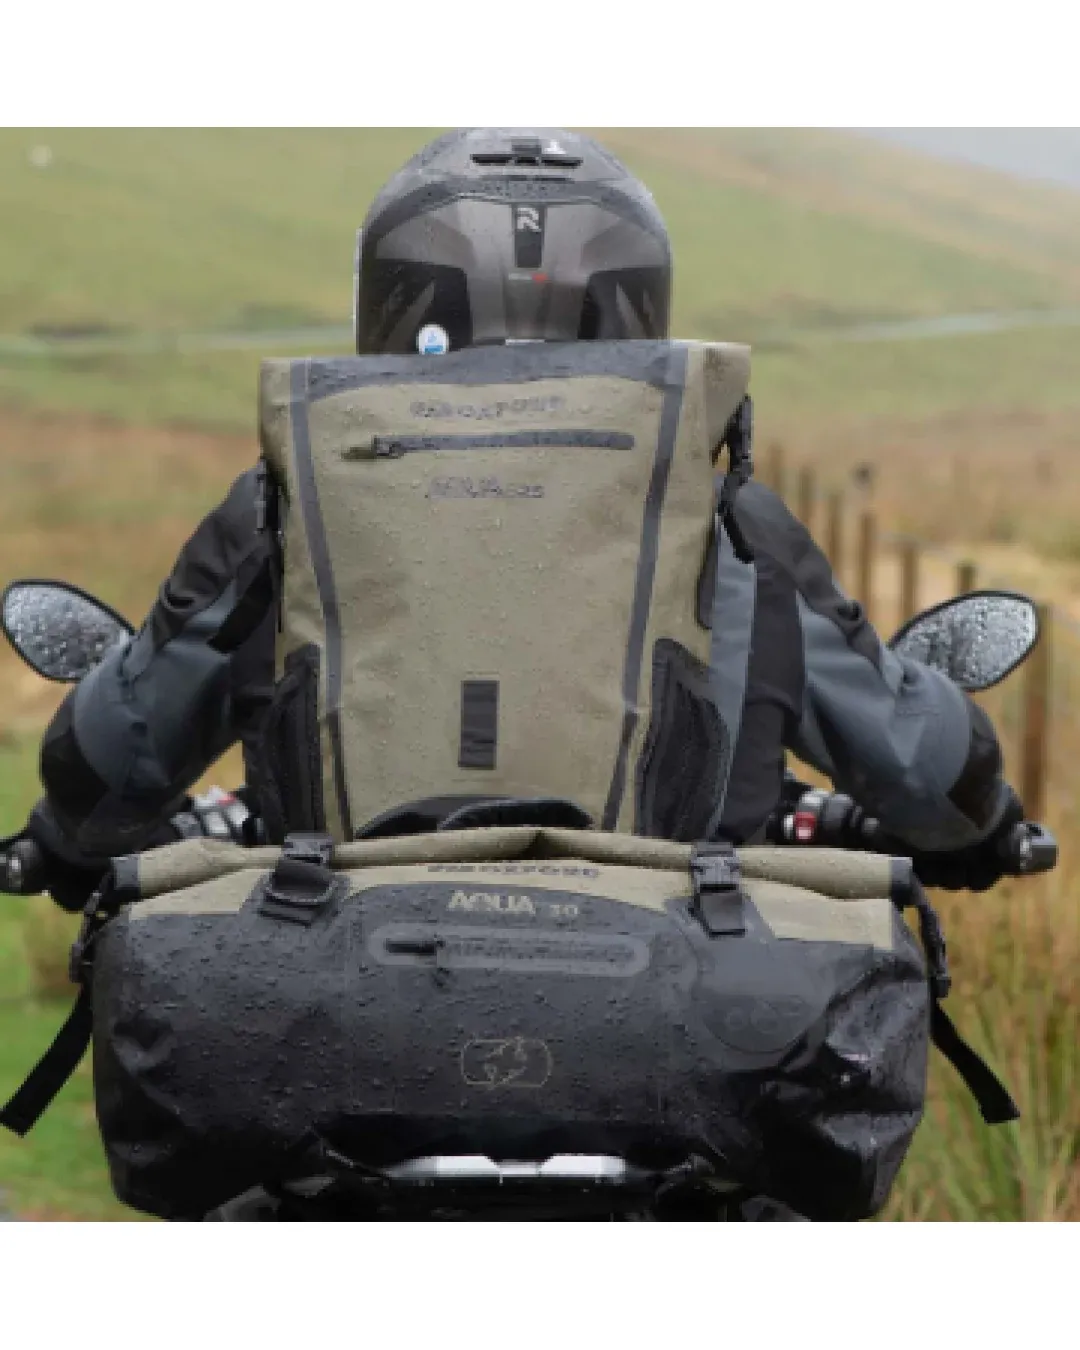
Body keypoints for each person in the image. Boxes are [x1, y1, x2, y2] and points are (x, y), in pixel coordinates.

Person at [26, 127, 1023, 909]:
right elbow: (922, 767)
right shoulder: (725, 520)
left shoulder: (284, 506)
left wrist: (64, 838)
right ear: (636, 310)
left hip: (337, 997)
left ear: (396, 299)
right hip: (681, 1016)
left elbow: (114, 760)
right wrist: (984, 825)